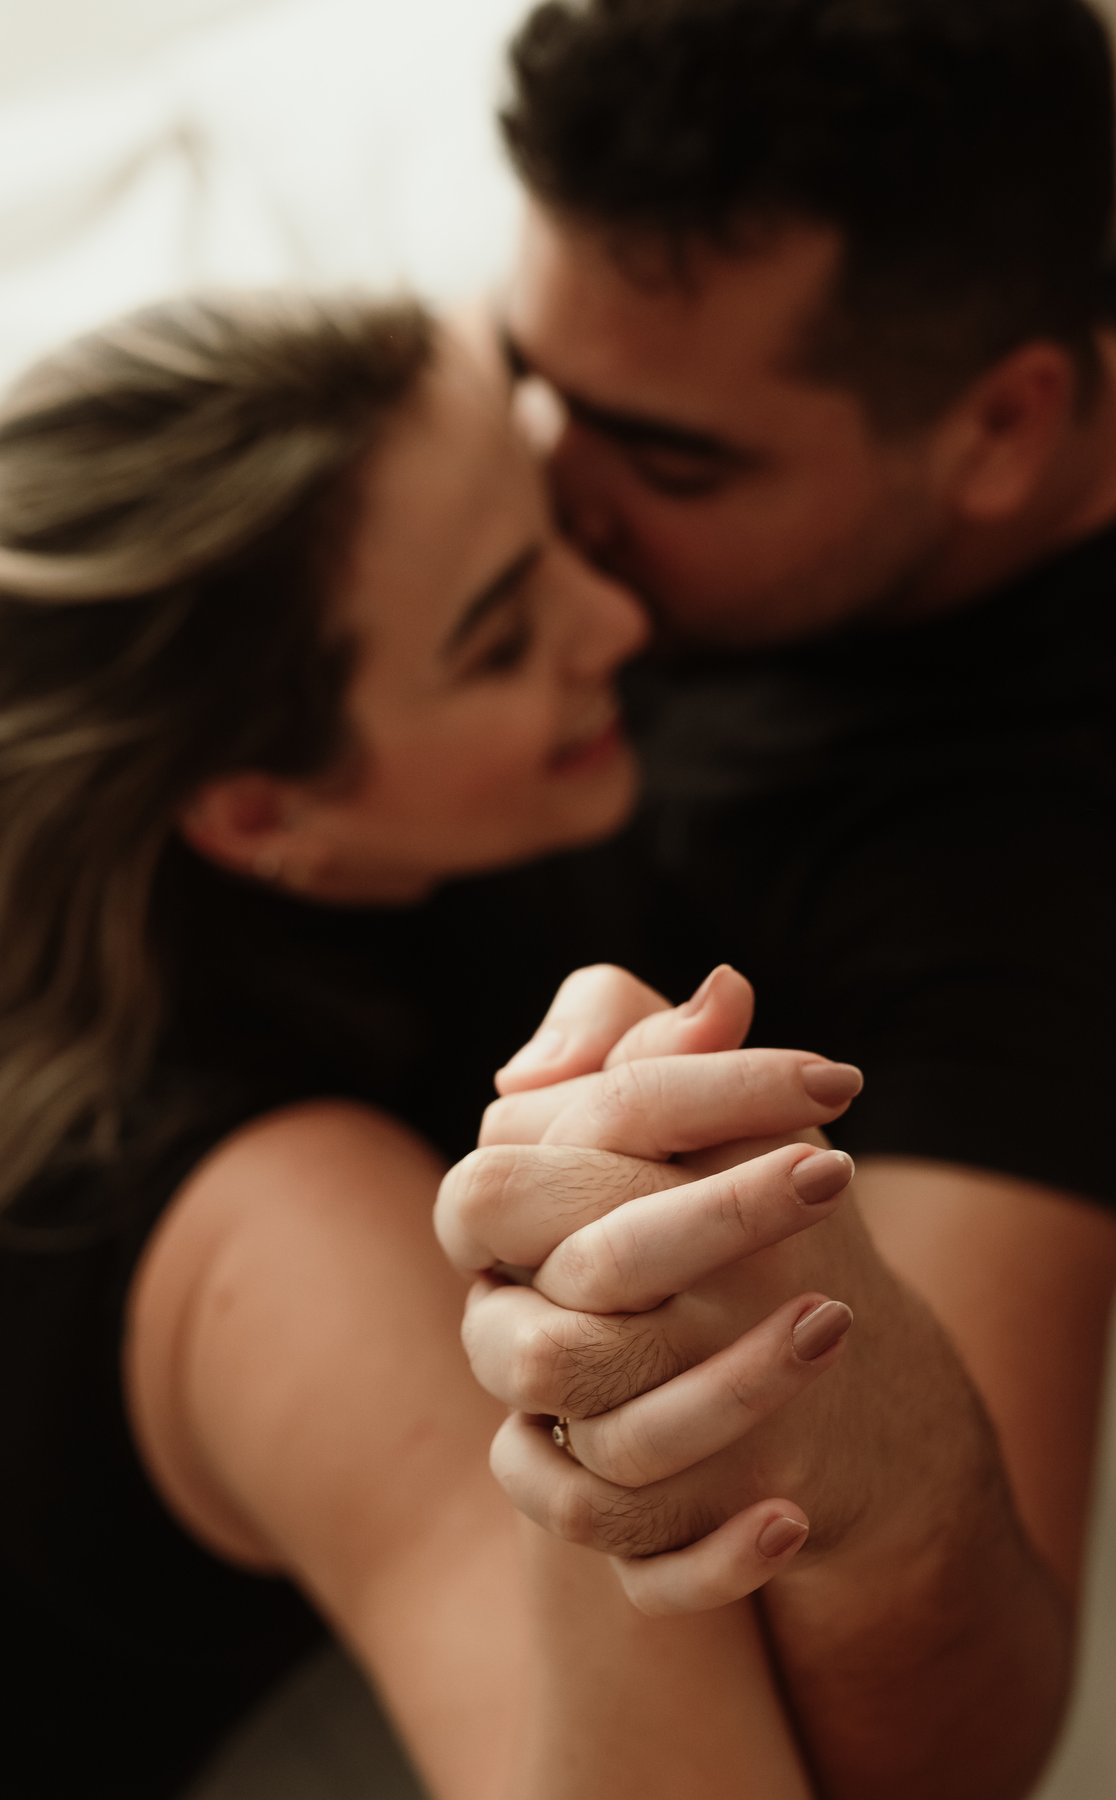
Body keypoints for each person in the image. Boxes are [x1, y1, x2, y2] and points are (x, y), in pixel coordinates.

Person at [0, 288, 882, 1799]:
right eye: (501, 640)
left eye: (547, 507)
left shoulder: (296, 811)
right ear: (260, 810)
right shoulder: (270, 1232)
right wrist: (579, 1371)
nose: (620, 621)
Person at [435, 0, 1116, 1795]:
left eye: (672, 463)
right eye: (531, 375)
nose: (550, 503)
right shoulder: (714, 346)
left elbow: (971, 1744)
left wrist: (867, 1433)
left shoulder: (1027, 862)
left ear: (1002, 425)